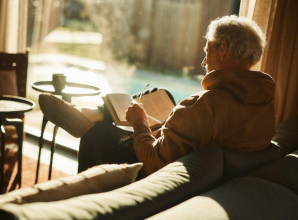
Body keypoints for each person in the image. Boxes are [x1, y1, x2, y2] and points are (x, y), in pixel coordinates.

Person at [39, 15, 275, 177]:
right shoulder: (264, 102)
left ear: (222, 49)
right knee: (157, 94)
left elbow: (153, 162)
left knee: (97, 135)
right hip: (188, 146)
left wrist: (140, 124)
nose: (204, 62)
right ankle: (94, 114)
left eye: (207, 52)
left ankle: (91, 121)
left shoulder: (203, 105)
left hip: (152, 163)